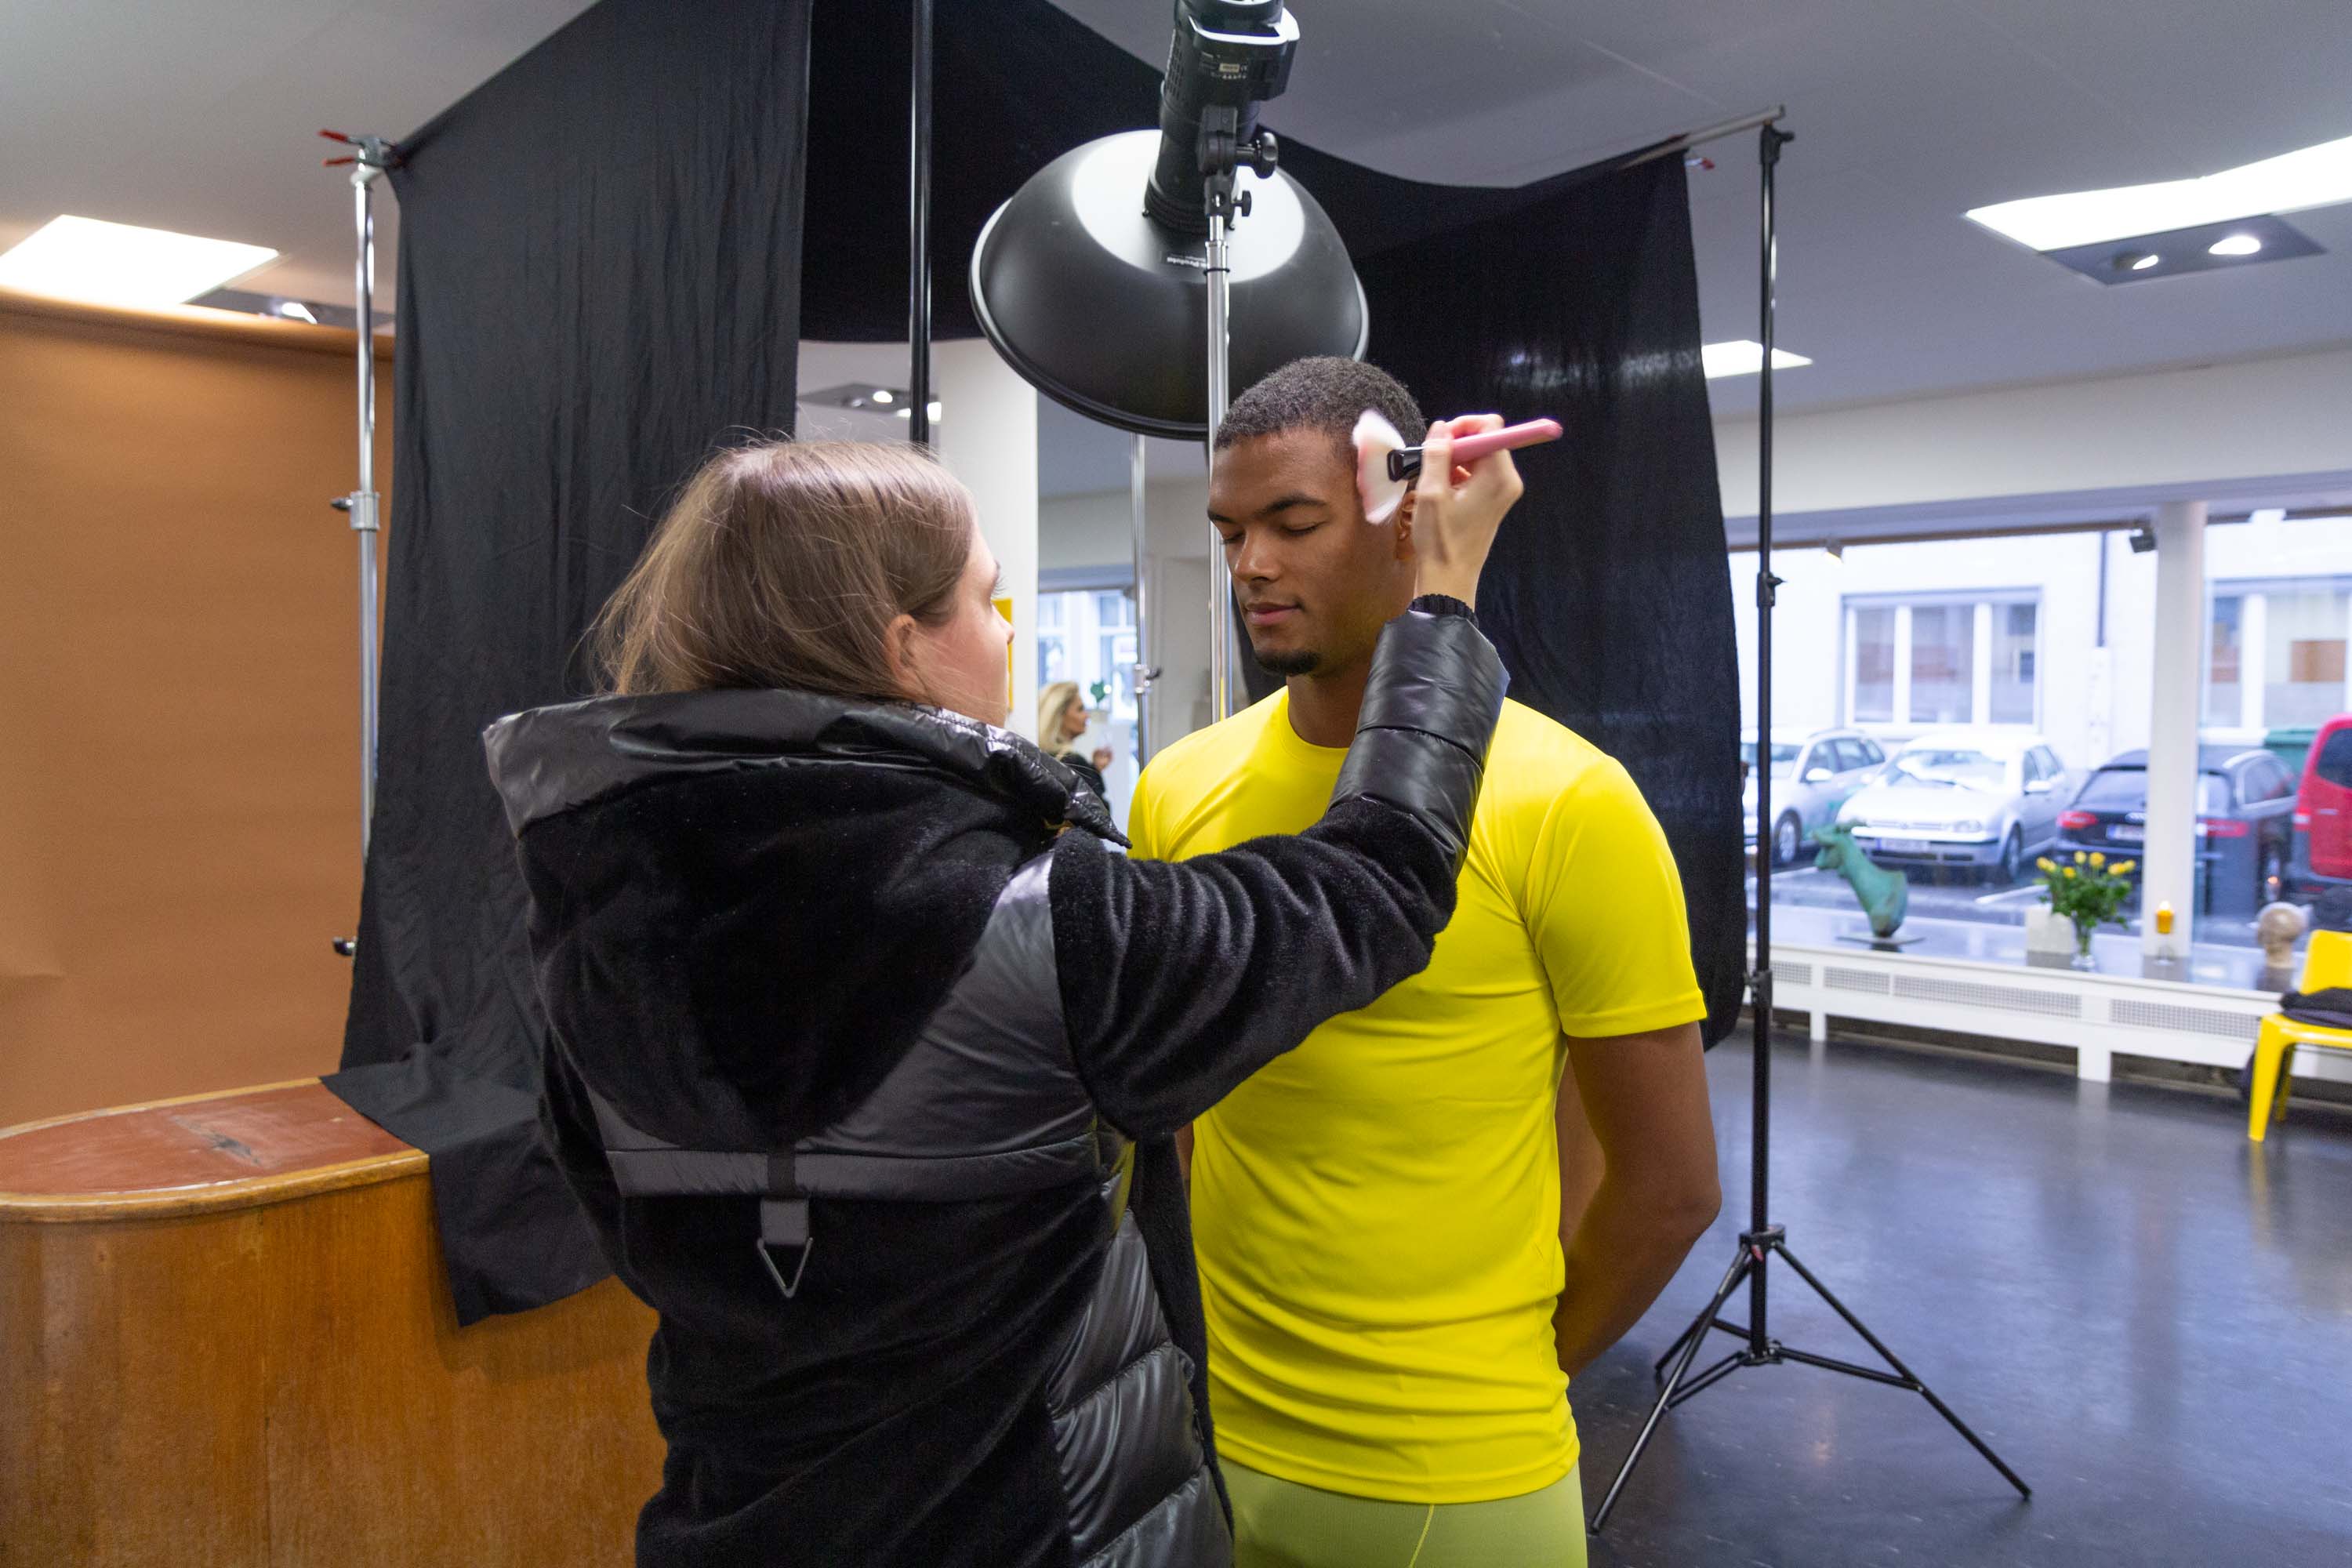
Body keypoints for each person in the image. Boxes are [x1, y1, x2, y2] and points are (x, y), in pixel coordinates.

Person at [481, 430, 1524, 1567]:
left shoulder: (599, 937)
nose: (1010, 634)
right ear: (904, 648)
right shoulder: (1037, 926)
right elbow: (1373, 883)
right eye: (989, 600)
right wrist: (1441, 603)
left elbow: (639, 1235)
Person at [1128, 358, 1722, 1567]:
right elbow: (1186, 1115)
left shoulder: (1566, 802)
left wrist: (1511, 1376)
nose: (1252, 565)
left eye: (1294, 523)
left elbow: (1668, 1187)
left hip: (1453, 1484)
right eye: (1231, 532)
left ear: (1409, 518)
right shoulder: (1179, 790)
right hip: (1212, 1443)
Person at [1039, 679, 1116, 801]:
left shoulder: (1039, 758)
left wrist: (1094, 769)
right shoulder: (1074, 762)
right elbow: (1098, 809)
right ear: (1059, 715)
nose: (1087, 715)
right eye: (1080, 709)